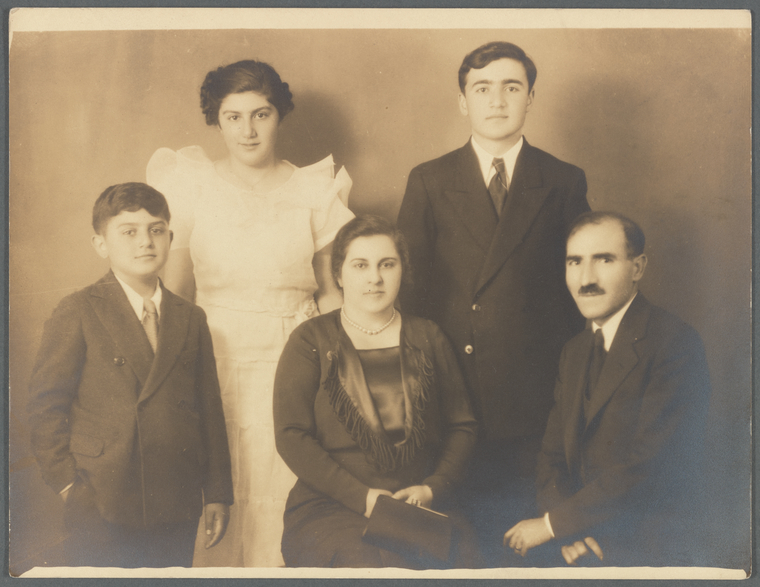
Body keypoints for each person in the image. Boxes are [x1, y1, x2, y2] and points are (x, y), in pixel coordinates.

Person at [146, 59, 354, 566]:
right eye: (233, 116)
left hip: (296, 356)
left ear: (280, 116)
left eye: (261, 114)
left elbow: (332, 295)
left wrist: (349, 369)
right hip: (213, 356)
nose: (247, 129)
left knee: (288, 480)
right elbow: (174, 296)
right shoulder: (191, 185)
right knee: (223, 483)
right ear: (216, 120)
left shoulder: (313, 188)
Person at [396, 40, 590, 564]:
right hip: (452, 389)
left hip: (535, 392)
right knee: (463, 540)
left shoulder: (563, 180)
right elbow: (408, 296)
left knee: (526, 537)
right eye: (482, 89)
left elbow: (582, 293)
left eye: (512, 87)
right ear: (464, 101)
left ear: (531, 97)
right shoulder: (429, 179)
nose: (497, 100)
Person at [26, 183, 233, 567]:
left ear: (170, 238)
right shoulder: (79, 309)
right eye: (129, 232)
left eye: (156, 230)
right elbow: (44, 407)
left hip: (177, 495)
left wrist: (217, 491)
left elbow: (209, 410)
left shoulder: (190, 317)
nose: (146, 242)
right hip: (103, 495)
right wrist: (69, 483)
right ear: (100, 244)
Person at [504, 212, 711, 566]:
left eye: (604, 260)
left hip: (648, 544)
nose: (586, 279)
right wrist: (567, 531)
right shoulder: (574, 351)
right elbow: (552, 455)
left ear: (638, 267)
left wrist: (553, 526)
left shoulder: (674, 343)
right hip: (579, 539)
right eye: (575, 262)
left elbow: (650, 467)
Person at [273, 215, 480, 568]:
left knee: (465, 555)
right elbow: (291, 435)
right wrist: (363, 497)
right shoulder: (311, 340)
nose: (375, 278)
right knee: (364, 560)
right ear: (338, 274)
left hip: (417, 503)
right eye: (360, 265)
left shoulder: (428, 336)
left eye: (387, 264)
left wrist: (433, 488)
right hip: (333, 505)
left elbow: (463, 426)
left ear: (403, 270)